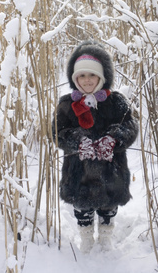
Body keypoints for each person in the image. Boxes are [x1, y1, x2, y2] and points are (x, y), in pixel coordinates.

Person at [52, 40, 138, 253]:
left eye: (92, 75)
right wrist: (78, 141)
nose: (87, 80)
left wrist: (113, 139)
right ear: (74, 78)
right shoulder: (66, 105)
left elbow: (130, 127)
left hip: (112, 169)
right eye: (82, 76)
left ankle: (106, 236)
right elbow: (57, 133)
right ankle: (86, 237)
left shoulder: (117, 101)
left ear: (102, 77)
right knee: (82, 206)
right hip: (79, 171)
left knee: (109, 206)